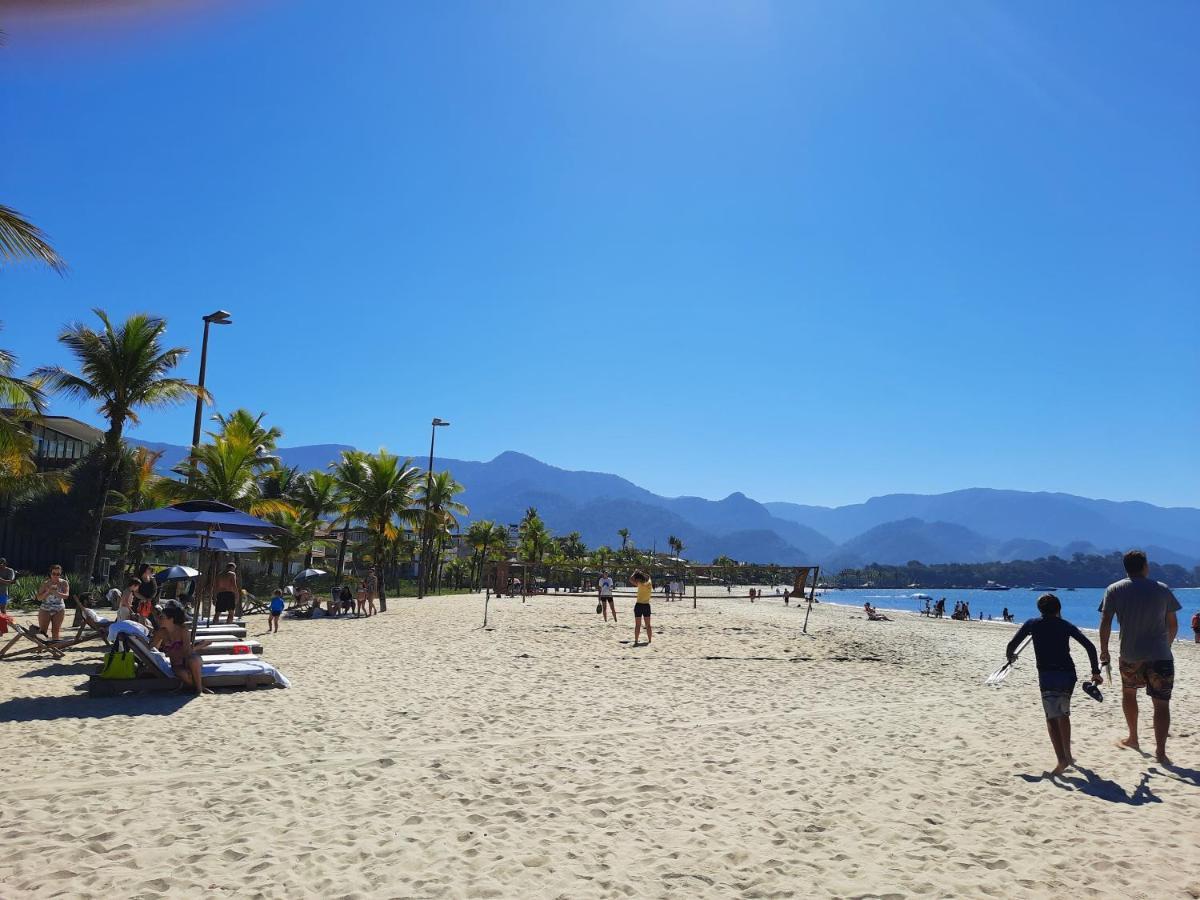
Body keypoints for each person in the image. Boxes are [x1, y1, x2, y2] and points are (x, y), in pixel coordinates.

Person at [1099, 550, 1181, 765]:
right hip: (1160, 655)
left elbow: (1106, 621)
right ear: (1145, 566)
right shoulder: (1162, 589)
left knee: (1129, 693)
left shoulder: (1114, 589)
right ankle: (1160, 752)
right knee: (1161, 703)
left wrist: (1104, 649)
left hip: (1130, 654)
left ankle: (1133, 738)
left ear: (1126, 568)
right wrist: (1167, 645)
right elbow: (1173, 625)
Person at [1006, 593, 1101, 776]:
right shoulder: (1065, 625)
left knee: (1051, 717)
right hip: (1068, 675)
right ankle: (1069, 755)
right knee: (1063, 713)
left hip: (1048, 675)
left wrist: (1010, 658)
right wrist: (1095, 671)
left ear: (1040, 610)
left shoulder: (1032, 624)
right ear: (1058, 609)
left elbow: (1012, 645)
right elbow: (1090, 646)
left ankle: (1062, 760)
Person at [152, 603, 207, 695]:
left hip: (189, 658)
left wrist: (172, 651)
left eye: (162, 617)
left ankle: (199, 690)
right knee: (183, 674)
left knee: (193, 661)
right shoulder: (160, 633)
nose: (159, 619)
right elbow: (152, 648)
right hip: (176, 664)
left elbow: (187, 651)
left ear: (171, 619)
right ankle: (202, 687)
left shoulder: (183, 631)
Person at [32, 564, 70, 640]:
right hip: (45, 608)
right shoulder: (45, 583)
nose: (56, 576)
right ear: (50, 573)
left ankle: (55, 648)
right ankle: (40, 649)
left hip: (59, 608)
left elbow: (66, 596)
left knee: (56, 630)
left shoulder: (64, 583)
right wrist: (48, 592)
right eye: (54, 574)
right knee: (43, 631)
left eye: (58, 574)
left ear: (60, 574)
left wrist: (56, 593)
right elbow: (39, 598)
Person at [630, 569, 653, 646]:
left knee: (637, 625)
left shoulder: (639, 584)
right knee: (648, 625)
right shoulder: (649, 583)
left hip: (639, 605)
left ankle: (636, 641)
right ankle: (649, 640)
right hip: (646, 605)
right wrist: (644, 573)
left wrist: (635, 572)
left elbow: (630, 579)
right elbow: (648, 577)